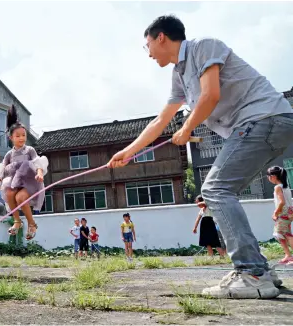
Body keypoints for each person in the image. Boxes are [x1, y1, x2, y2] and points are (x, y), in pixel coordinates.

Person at [108, 15, 292, 298]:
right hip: (259, 125)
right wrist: (128, 152)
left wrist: (186, 128)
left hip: (264, 118)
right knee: (221, 189)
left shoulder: (203, 47)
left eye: (147, 46)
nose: (148, 54)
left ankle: (252, 272)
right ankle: (261, 272)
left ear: (161, 38)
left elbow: (210, 95)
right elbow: (160, 120)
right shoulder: (178, 75)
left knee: (215, 188)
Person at [0, 105, 48, 240]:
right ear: (11, 137)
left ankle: (32, 224)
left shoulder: (29, 150)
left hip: (29, 181)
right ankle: (17, 221)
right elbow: (3, 170)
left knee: (20, 198)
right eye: (18, 136)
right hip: (15, 182)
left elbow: (37, 163)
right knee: (9, 193)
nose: (21, 138)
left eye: (24, 135)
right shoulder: (9, 155)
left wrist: (39, 173)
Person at [267, 166, 293, 264]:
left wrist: (275, 213)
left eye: (268, 175)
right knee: (283, 234)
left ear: (273, 176)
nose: (268, 178)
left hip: (283, 213)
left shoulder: (278, 187)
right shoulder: (285, 187)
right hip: (290, 213)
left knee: (282, 234)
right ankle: (288, 255)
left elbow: (281, 202)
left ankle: (289, 256)